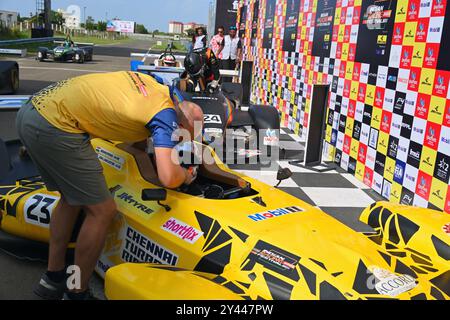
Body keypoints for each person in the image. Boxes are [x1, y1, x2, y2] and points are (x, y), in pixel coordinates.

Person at [16, 71, 203, 300]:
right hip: (57, 126)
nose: (179, 141)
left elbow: (134, 135)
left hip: (33, 110)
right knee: (102, 210)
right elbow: (169, 178)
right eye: (182, 137)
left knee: (71, 198)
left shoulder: (157, 87)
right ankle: (77, 292)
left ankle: (52, 279)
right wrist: (185, 175)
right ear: (180, 123)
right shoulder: (166, 114)